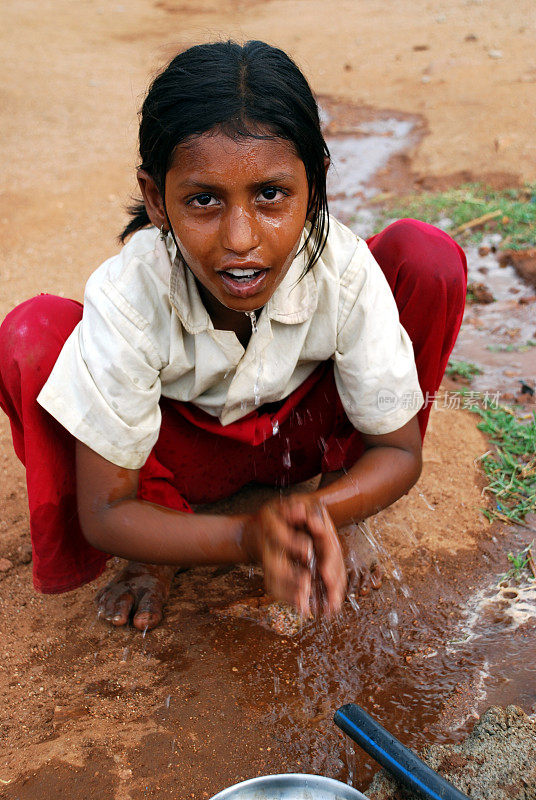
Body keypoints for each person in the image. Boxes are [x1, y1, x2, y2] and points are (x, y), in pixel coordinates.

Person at [0, 40, 467, 632]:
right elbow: (107, 510)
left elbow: (398, 451)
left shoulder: (342, 270)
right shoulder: (130, 293)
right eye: (203, 200)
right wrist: (251, 535)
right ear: (156, 200)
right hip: (176, 462)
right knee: (33, 334)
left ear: (316, 188)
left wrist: (316, 516)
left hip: (300, 437)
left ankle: (345, 523)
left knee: (424, 256)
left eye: (271, 194)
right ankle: (154, 553)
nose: (241, 237)